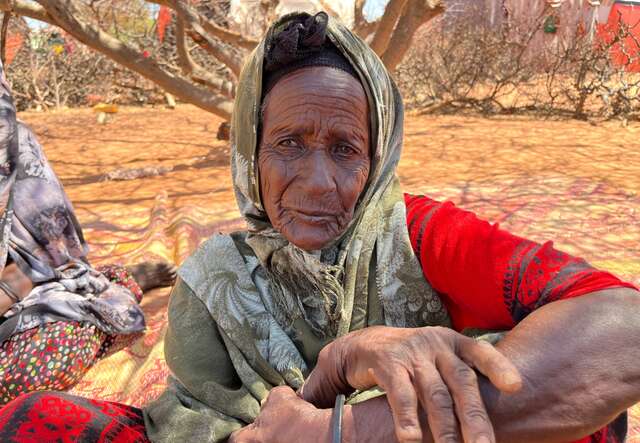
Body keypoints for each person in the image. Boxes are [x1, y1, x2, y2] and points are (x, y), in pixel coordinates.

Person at [1, 12, 639, 443]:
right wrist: (337, 366)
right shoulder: (213, 283)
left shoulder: (417, 236)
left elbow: (625, 332)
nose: (315, 182)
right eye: (288, 142)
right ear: (251, 151)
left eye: (344, 148)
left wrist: (349, 431)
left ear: (378, 156)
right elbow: (219, 429)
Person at [0, 61, 177, 407]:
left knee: (27, 372)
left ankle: (116, 286)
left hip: (28, 296)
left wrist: (12, 285)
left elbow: (48, 255)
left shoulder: (14, 147)